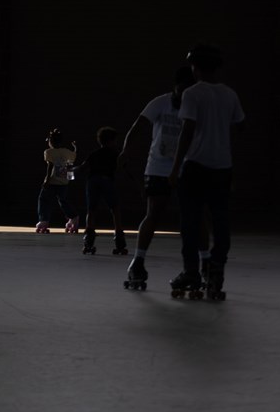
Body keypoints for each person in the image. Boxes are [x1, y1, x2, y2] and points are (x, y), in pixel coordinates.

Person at [168, 45, 244, 300]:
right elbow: (238, 129)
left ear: (195, 67)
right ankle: (216, 267)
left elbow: (187, 131)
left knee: (190, 222)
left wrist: (176, 167)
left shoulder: (192, 93)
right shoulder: (230, 95)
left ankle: (191, 272)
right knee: (221, 222)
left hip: (195, 167)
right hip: (222, 167)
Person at [118, 67, 196, 290]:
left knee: (193, 216)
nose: (184, 93)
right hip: (158, 167)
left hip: (186, 168)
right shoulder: (160, 103)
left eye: (189, 89)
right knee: (153, 213)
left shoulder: (195, 106)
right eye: (182, 88)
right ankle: (138, 262)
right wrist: (126, 151)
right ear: (175, 86)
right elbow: (139, 126)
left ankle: (200, 266)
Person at [75, 127, 124, 256]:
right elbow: (125, 168)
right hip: (107, 181)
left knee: (91, 211)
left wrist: (68, 172)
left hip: (93, 181)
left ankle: (88, 242)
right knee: (115, 210)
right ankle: (119, 241)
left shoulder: (94, 154)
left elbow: (82, 168)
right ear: (112, 141)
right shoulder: (115, 154)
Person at [36, 129, 78, 234]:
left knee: (44, 200)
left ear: (50, 141)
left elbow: (50, 166)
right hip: (63, 183)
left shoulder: (49, 152)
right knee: (64, 201)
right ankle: (74, 218)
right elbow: (70, 165)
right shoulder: (67, 152)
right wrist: (70, 178)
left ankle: (43, 221)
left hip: (52, 182)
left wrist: (46, 180)